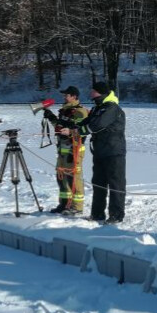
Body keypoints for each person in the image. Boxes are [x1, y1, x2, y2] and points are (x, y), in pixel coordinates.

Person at [77, 82, 127, 224]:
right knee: (98, 183)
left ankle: (116, 215)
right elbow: (85, 122)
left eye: (93, 90)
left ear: (100, 92)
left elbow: (97, 125)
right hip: (99, 151)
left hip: (114, 152)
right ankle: (97, 214)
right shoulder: (97, 108)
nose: (91, 92)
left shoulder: (112, 108)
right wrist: (69, 127)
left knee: (116, 184)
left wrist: (78, 131)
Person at [43, 86, 90, 216]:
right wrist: (51, 117)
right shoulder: (65, 110)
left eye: (67, 95)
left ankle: (77, 207)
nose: (64, 97)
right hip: (62, 150)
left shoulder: (80, 112)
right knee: (61, 177)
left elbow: (81, 132)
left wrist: (69, 133)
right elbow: (59, 127)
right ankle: (64, 203)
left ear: (74, 96)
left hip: (74, 150)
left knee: (74, 178)